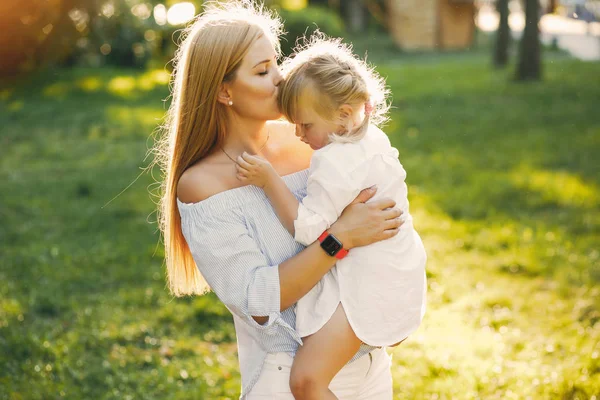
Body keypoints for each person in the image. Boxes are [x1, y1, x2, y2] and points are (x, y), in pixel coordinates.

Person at [151, 1, 404, 398]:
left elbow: (381, 210)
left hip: (367, 363)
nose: (281, 79)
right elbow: (260, 300)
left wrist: (393, 307)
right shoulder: (202, 185)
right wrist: (339, 238)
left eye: (276, 62)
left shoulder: (310, 139)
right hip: (288, 379)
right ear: (223, 91)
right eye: (262, 71)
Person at [236, 35, 427, 400]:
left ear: (342, 115)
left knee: (306, 381)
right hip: (402, 268)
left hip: (372, 284)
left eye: (305, 125)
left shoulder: (335, 160)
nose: (298, 134)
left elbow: (309, 229)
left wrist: (268, 180)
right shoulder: (371, 139)